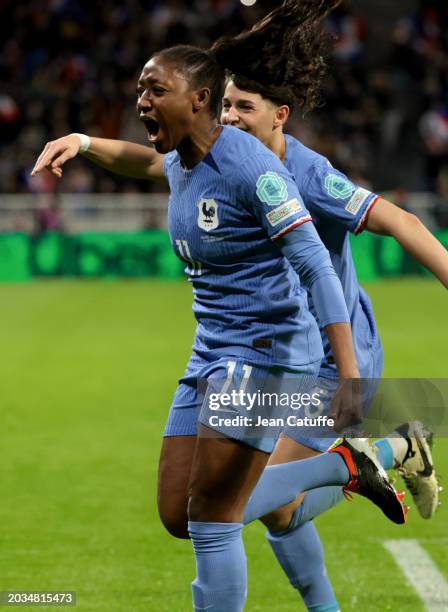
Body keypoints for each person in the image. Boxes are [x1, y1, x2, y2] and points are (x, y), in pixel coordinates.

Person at [31, 3, 411, 611]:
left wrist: (349, 378)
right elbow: (146, 161)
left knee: (213, 519)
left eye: (156, 91)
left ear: (200, 100)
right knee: (179, 513)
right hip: (209, 350)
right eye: (139, 90)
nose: (142, 102)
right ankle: (349, 466)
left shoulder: (254, 169)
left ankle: (356, 462)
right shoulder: (183, 158)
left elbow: (317, 267)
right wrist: (81, 142)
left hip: (265, 350)